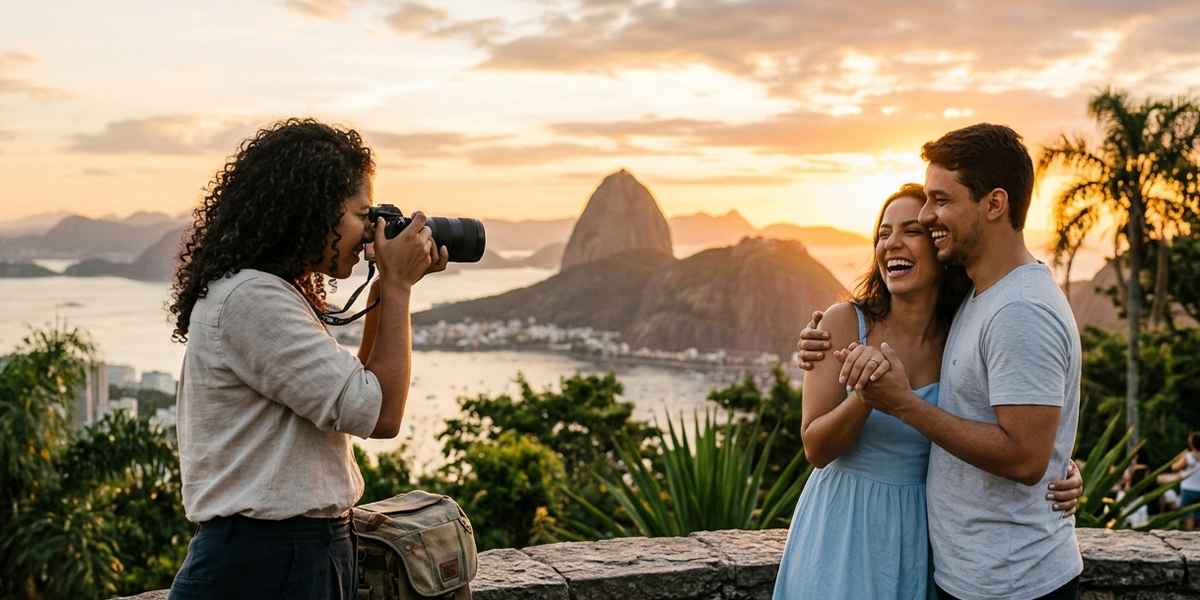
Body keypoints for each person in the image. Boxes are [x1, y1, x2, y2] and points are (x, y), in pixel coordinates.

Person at [166, 119, 448, 600]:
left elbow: (357, 393)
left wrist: (385, 286)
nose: (369, 232)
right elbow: (380, 415)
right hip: (266, 564)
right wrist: (398, 287)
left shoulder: (269, 291)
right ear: (312, 210)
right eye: (362, 214)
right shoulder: (252, 297)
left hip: (287, 558)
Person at [799, 123, 1083, 600]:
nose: (930, 218)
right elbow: (1007, 413)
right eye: (884, 232)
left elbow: (1025, 453)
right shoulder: (976, 303)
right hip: (906, 552)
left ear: (994, 204)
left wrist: (1058, 465)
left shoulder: (1015, 309)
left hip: (1001, 578)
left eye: (938, 205)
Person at [1170, 431, 1200, 531]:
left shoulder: (1188, 456)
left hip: (1188, 489)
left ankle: (1189, 535)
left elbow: (1175, 468)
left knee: (1187, 514)